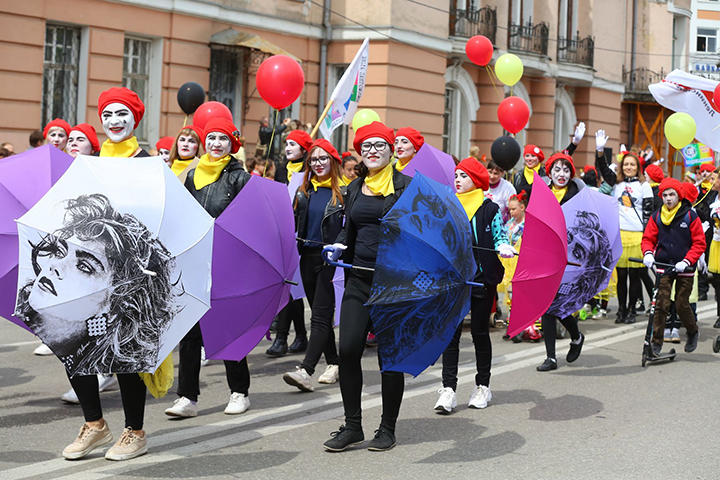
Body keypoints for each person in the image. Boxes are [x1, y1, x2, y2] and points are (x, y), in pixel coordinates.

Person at [321, 121, 412, 452]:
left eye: (380, 145)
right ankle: (353, 425)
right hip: (357, 281)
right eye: (367, 146)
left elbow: (419, 232)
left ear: (391, 150)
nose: (373, 151)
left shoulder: (407, 188)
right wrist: (339, 245)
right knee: (347, 351)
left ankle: (387, 428)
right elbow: (351, 229)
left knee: (390, 359)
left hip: (393, 285)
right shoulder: (354, 187)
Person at [165, 117, 253, 419]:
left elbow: (249, 223)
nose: (216, 144)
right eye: (212, 138)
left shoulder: (238, 178)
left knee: (227, 328)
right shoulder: (192, 176)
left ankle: (239, 391)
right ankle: (187, 397)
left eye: (223, 139)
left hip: (227, 264)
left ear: (233, 144)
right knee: (190, 332)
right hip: (195, 261)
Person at [434, 158, 516, 413]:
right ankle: (448, 390)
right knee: (451, 334)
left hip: (481, 277)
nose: (457, 179)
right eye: (456, 175)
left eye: (463, 176)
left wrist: (502, 246)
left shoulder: (488, 208)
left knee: (480, 332)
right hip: (454, 278)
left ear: (476, 181)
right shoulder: (448, 205)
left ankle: (482, 386)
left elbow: (499, 233)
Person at [282, 138, 345, 392]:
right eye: (314, 159)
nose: (318, 164)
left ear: (333, 161)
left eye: (323, 158)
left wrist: (338, 245)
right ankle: (334, 362)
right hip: (306, 258)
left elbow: (348, 229)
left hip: (330, 260)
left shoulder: (345, 192)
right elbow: (294, 223)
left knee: (319, 316)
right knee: (320, 315)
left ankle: (306, 371)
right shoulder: (303, 191)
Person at [594, 130, 653, 324]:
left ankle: (632, 311)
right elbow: (603, 168)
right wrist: (600, 150)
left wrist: (648, 238)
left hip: (637, 235)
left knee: (635, 277)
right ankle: (620, 310)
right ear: (622, 166)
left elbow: (648, 214)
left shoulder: (644, 186)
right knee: (620, 276)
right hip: (619, 235)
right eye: (626, 164)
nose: (629, 167)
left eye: (632, 164)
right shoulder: (615, 182)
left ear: (638, 167)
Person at [642, 177, 705, 356]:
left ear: (679, 195)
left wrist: (686, 261)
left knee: (681, 304)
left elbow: (699, 243)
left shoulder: (690, 215)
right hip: (664, 266)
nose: (668, 198)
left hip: (685, 267)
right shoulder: (657, 216)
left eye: (672, 194)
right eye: (665, 195)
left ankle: (692, 331)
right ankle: (656, 342)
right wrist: (647, 253)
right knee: (661, 304)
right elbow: (648, 239)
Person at [265, 129, 314, 356]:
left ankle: (282, 338)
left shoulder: (310, 173)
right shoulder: (283, 169)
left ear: (304, 150)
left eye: (293, 144)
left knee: (290, 285)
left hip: (300, 235)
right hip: (282, 233)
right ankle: (300, 336)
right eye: (287, 143)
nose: (288, 148)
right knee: (288, 286)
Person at [536, 152, 586, 372]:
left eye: (566, 170)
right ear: (549, 172)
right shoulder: (542, 194)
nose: (561, 174)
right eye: (557, 169)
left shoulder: (578, 196)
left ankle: (576, 337)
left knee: (560, 305)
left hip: (571, 259)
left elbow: (586, 228)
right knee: (547, 305)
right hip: (546, 256)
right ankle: (551, 357)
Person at [513, 122, 585, 198]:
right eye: (527, 156)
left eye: (533, 156)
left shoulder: (544, 175)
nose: (530, 159)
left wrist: (574, 144)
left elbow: (562, 159)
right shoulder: (518, 175)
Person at [97, 87, 150, 158]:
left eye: (122, 114)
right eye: (107, 115)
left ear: (135, 119)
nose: (114, 121)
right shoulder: (91, 162)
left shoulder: (148, 164)